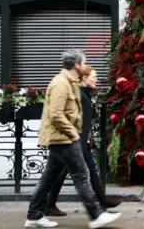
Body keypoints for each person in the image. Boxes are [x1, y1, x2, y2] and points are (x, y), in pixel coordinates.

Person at [25, 49, 121, 229]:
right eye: (84, 63)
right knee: (81, 174)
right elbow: (55, 114)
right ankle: (96, 215)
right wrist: (74, 133)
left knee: (48, 178)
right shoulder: (61, 84)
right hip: (63, 138)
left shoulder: (70, 83)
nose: (85, 67)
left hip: (61, 138)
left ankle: (34, 215)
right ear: (76, 64)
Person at [45, 66, 122, 217]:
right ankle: (101, 203)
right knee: (89, 171)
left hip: (74, 140)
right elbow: (76, 120)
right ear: (84, 78)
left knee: (58, 173)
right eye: (94, 76)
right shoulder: (80, 95)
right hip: (75, 141)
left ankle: (48, 205)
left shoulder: (83, 94)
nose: (96, 79)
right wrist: (81, 139)